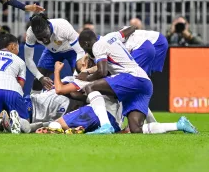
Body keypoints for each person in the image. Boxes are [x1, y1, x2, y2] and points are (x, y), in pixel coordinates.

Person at [61, 29, 198, 134]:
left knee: (91, 87)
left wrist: (87, 77)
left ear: (86, 44)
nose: (86, 52)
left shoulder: (97, 46)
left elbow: (102, 72)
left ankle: (105, 126)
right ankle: (179, 125)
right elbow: (128, 29)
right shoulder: (111, 37)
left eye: (84, 48)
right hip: (144, 82)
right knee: (136, 128)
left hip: (130, 77)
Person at [24, 14, 85, 92]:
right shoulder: (30, 33)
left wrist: (76, 73)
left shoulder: (63, 26)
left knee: (79, 78)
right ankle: (32, 102)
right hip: (52, 51)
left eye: (45, 36)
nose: (44, 41)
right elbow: (28, 59)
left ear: (48, 26)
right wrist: (40, 77)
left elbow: (80, 51)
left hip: (72, 50)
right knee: (37, 80)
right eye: (40, 38)